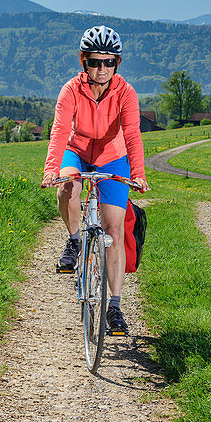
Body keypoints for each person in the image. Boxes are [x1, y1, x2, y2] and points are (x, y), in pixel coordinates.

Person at [42, 25, 149, 336]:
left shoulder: (126, 93)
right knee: (67, 187)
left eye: (109, 62)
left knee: (114, 229)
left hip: (112, 156)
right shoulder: (70, 91)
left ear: (117, 63)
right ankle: (75, 240)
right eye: (94, 61)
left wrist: (138, 173)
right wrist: (52, 167)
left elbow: (132, 134)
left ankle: (114, 306)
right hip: (76, 150)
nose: (102, 68)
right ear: (83, 61)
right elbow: (60, 131)